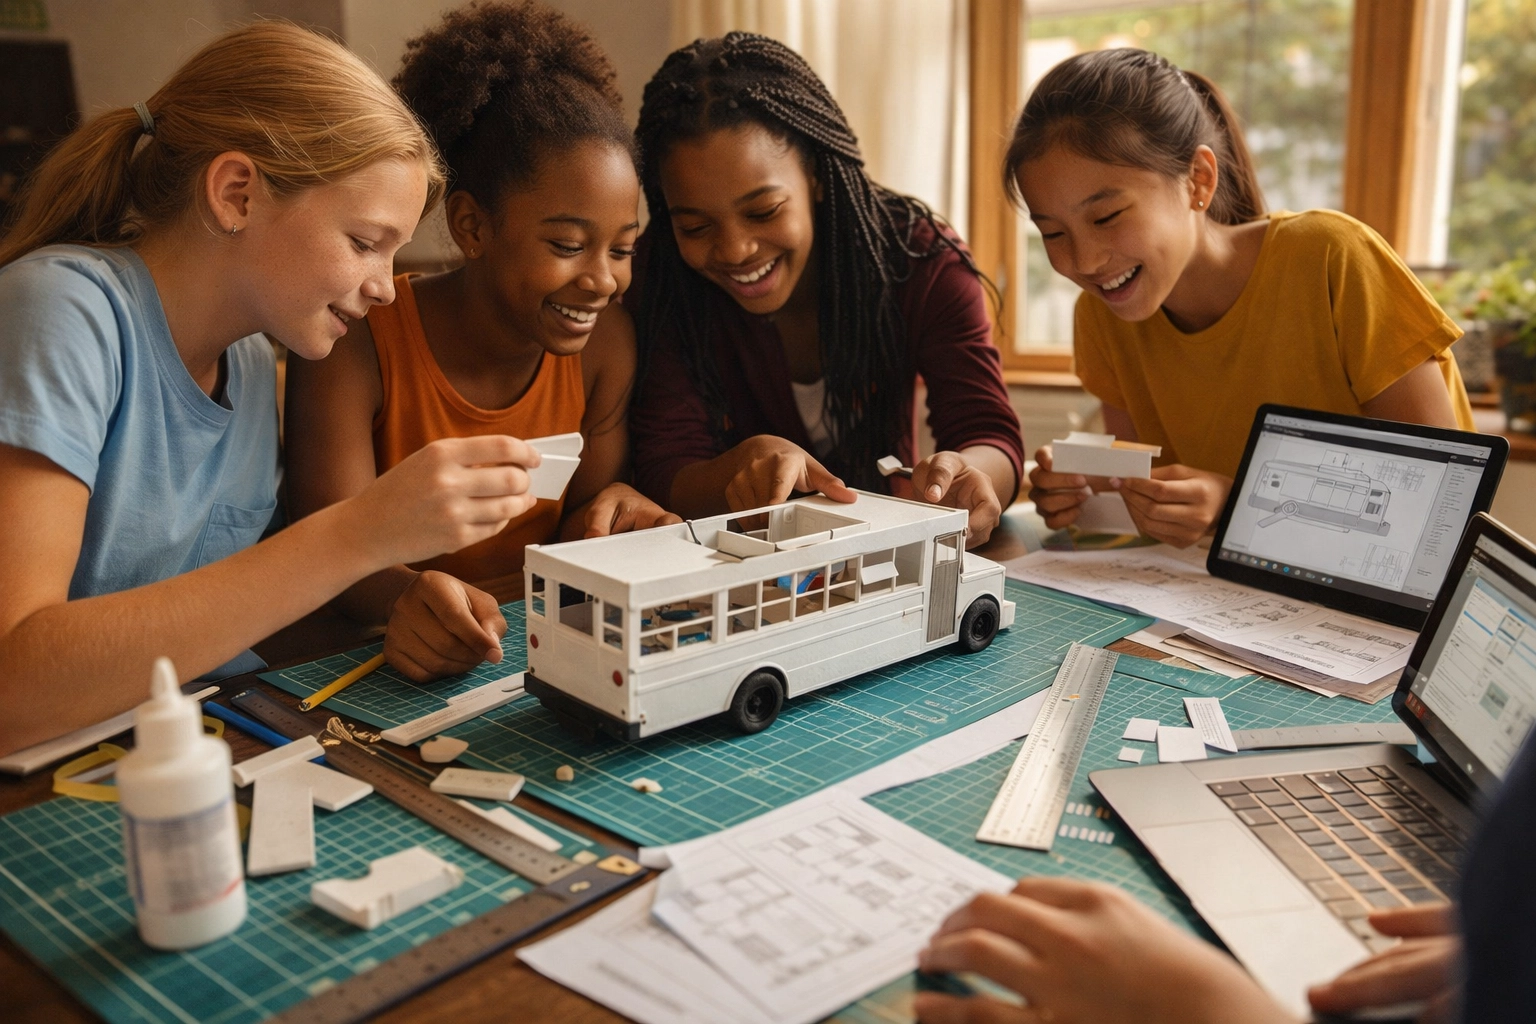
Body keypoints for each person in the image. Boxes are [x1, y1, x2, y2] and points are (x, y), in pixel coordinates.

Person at [0, 22, 541, 757]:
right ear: (236, 194)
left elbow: (222, 610)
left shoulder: (251, 359)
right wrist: (357, 533)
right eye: (363, 243)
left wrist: (398, 600)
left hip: (173, 750)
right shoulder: (62, 310)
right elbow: (15, 686)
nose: (387, 288)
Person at [285, 1, 678, 683]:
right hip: (367, 658)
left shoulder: (606, 345)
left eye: (622, 248)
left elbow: (583, 509)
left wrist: (619, 513)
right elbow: (331, 549)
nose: (603, 280)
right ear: (471, 226)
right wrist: (406, 596)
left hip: (526, 649)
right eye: (566, 245)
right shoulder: (359, 338)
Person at [1012, 49, 1474, 548]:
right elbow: (1145, 497)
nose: (1083, 261)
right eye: (1053, 233)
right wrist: (1084, 494)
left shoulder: (1331, 258)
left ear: (1198, 181)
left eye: (1106, 218)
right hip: (1228, 599)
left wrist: (1234, 504)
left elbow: (1447, 502)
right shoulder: (1103, 315)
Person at [628, 32, 1024, 547]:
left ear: (815, 174)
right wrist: (739, 467)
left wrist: (972, 474)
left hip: (890, 559)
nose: (734, 250)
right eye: (695, 228)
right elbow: (663, 469)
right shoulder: (659, 277)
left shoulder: (918, 258)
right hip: (735, 567)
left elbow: (988, 429)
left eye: (763, 211)